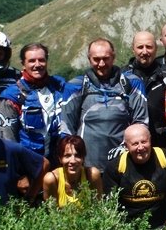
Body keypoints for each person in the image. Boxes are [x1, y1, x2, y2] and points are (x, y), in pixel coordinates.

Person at [61, 38, 149, 173]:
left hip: (123, 161)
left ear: (113, 57)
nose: (101, 64)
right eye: (96, 59)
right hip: (87, 163)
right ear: (89, 59)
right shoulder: (75, 86)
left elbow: (141, 122)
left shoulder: (132, 83)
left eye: (106, 58)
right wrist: (72, 159)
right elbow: (66, 129)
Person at [0, 43, 72, 165]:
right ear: (23, 64)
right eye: (32, 61)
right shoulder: (12, 96)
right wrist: (17, 172)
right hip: (28, 165)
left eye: (41, 60)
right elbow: (6, 140)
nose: (37, 65)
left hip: (58, 162)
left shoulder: (59, 86)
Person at [103, 123, 166, 229]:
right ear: (126, 146)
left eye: (144, 142)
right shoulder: (115, 167)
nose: (140, 147)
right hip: (128, 228)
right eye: (135, 144)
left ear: (150, 141)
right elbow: (109, 205)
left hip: (163, 226)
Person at [124, 31, 166, 148]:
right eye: (140, 47)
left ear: (155, 49)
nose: (145, 52)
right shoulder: (122, 77)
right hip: (133, 144)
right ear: (133, 49)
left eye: (149, 47)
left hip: (163, 143)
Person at [42, 135, 103, 208]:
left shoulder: (92, 175)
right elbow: (51, 212)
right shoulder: (51, 179)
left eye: (77, 156)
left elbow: (98, 208)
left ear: (83, 158)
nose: (73, 161)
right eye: (67, 156)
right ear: (60, 159)